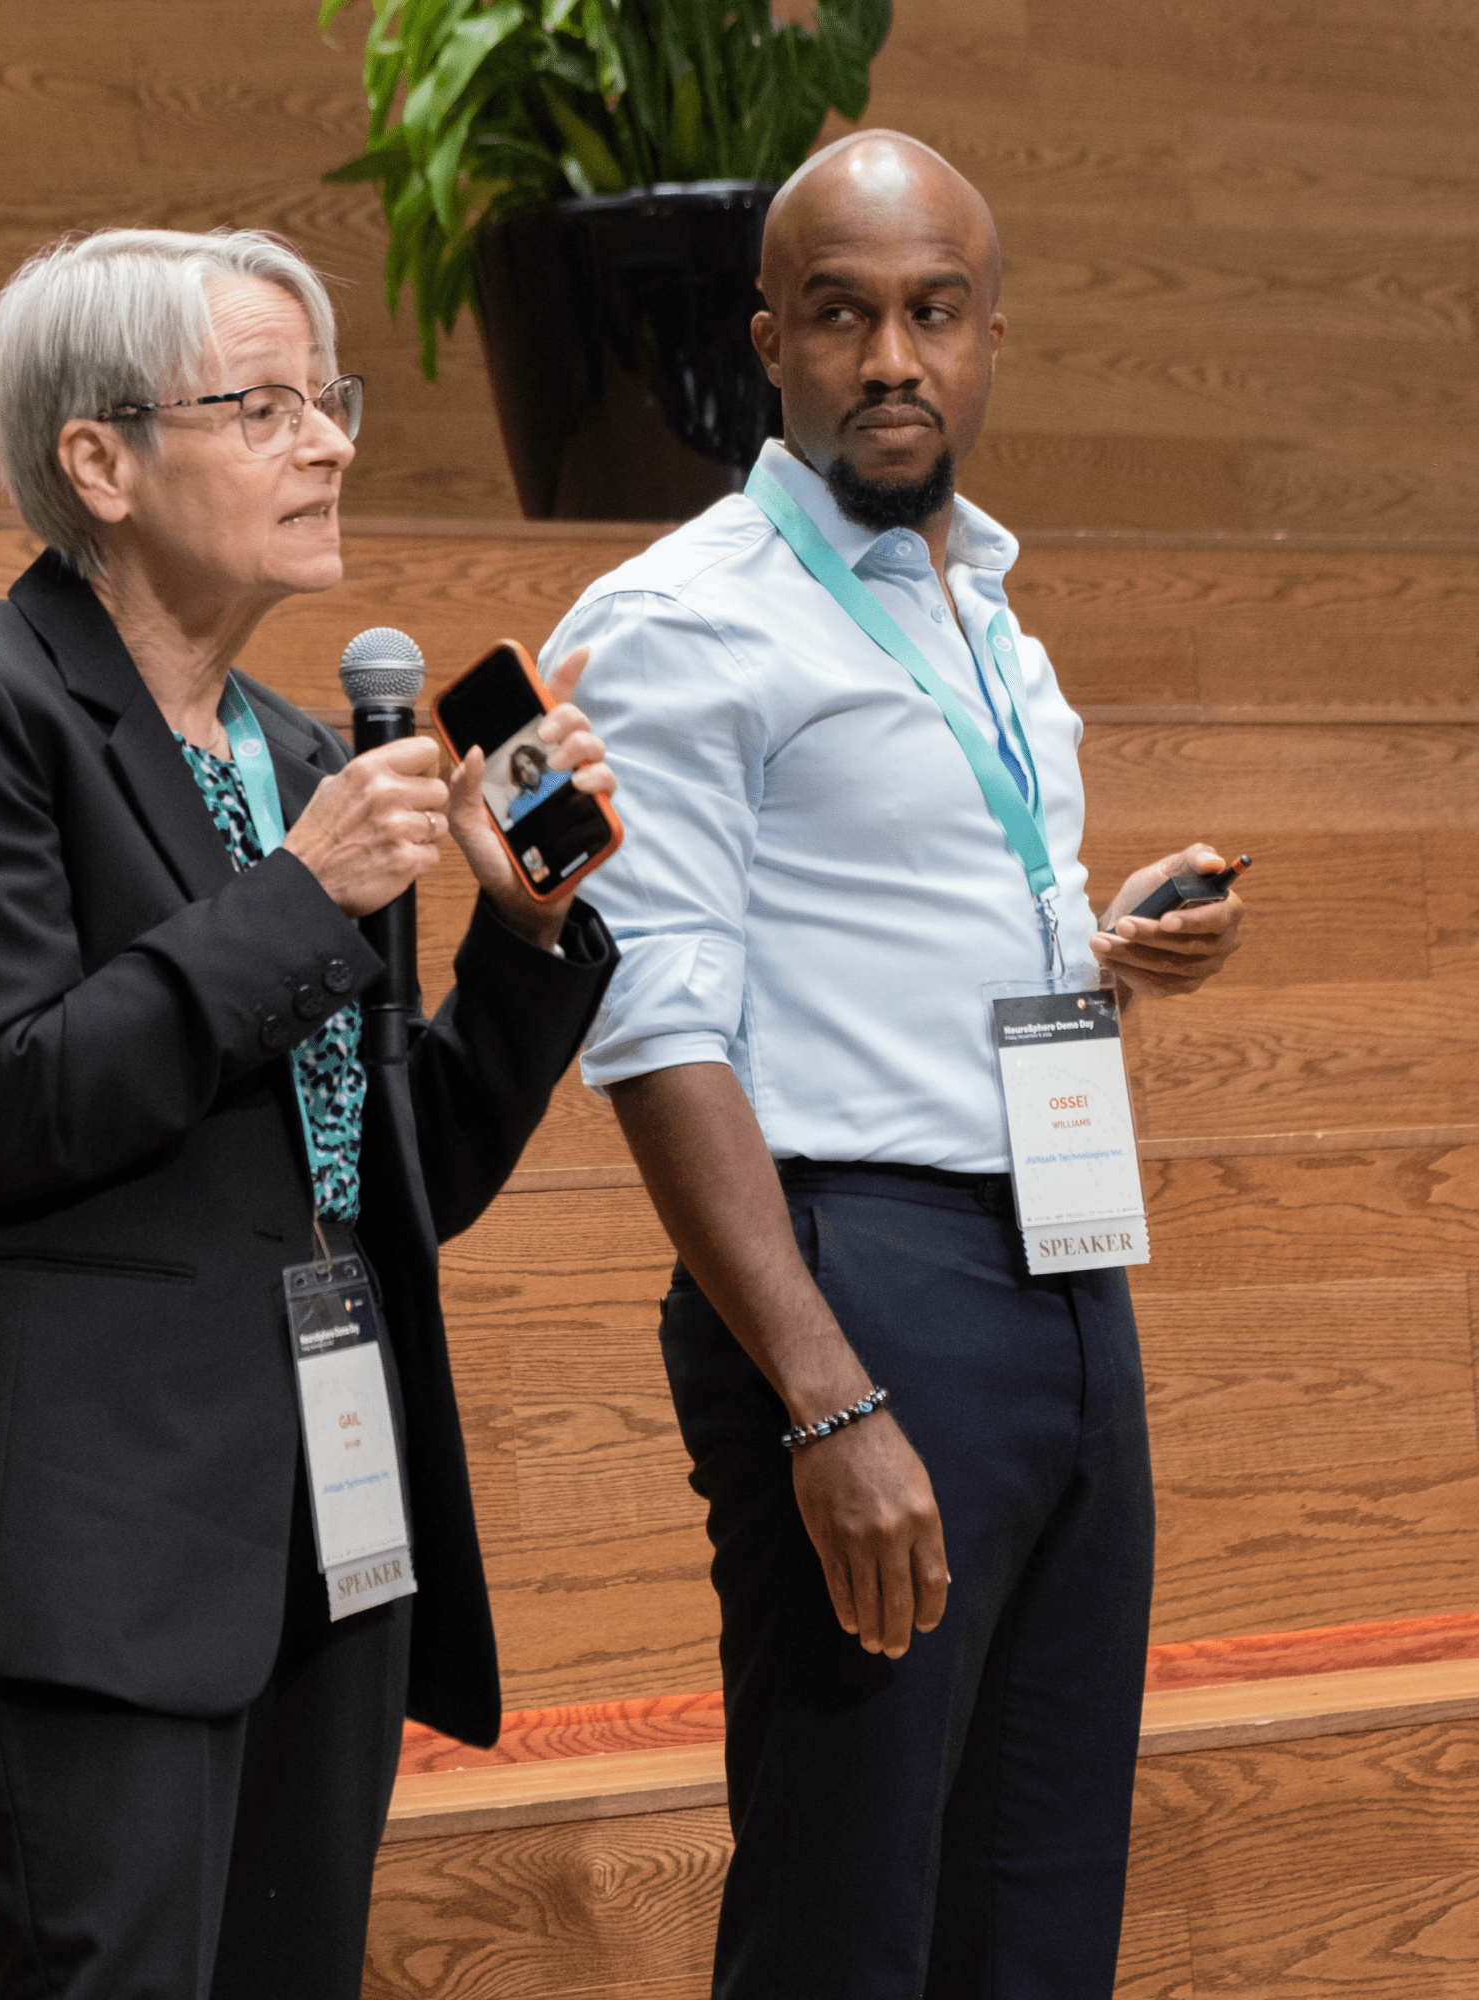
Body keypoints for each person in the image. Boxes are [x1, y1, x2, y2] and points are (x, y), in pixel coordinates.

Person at [0, 226, 617, 2000]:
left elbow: (392, 1171)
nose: (329, 443)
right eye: (263, 407)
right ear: (99, 463)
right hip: (105, 1544)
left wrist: (522, 938)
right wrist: (301, 894)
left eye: (329, 401)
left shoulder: (304, 753)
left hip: (331, 1521)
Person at [540, 133, 1245, 1996]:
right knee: (849, 1921)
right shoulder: (677, 618)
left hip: (1065, 1271)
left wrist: (1112, 948)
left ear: (994, 334)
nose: (891, 360)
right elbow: (655, 1023)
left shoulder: (985, 609)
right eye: (841, 316)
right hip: (859, 1284)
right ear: (767, 341)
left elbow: (926, 925)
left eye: (935, 313)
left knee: (1035, 1905)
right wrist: (826, 1398)